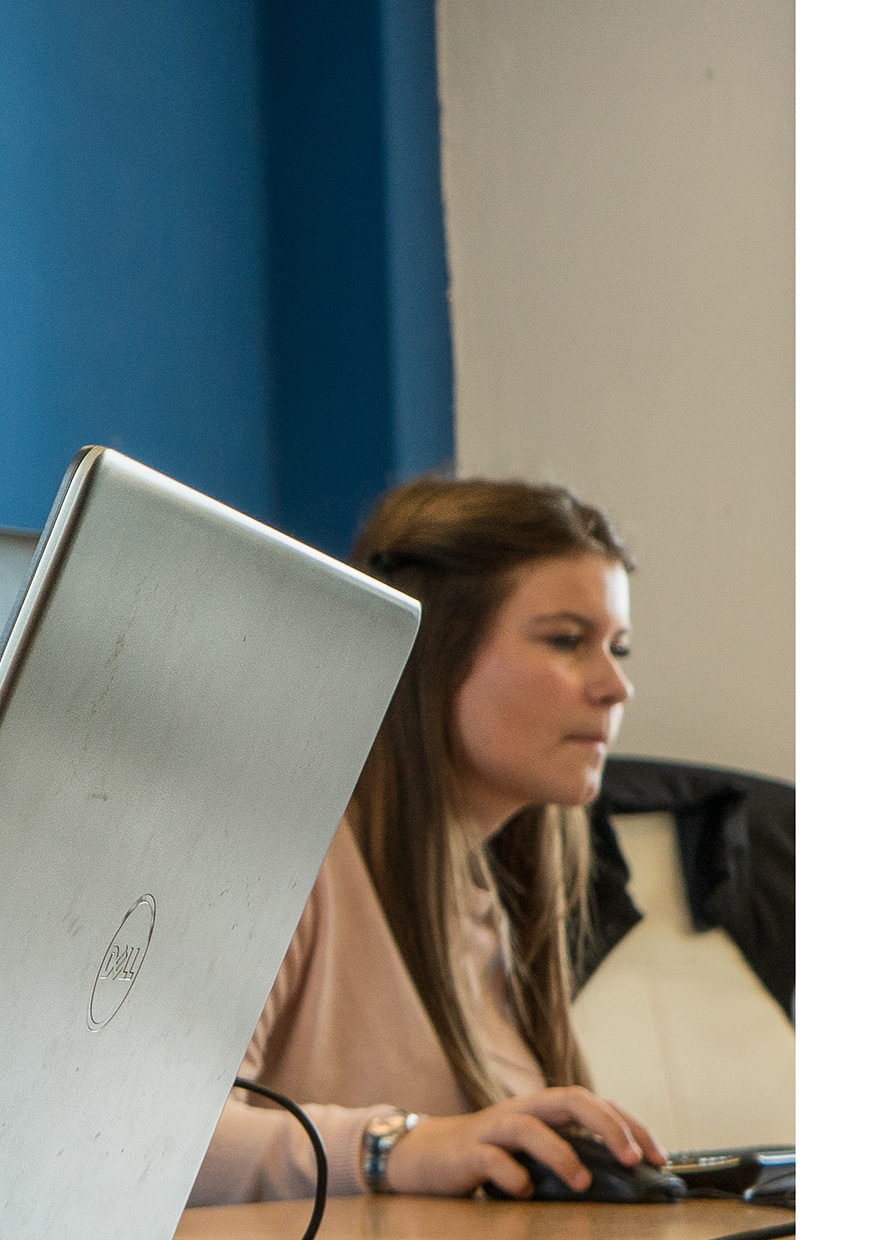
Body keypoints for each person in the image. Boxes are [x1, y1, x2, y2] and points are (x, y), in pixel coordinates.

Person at [190, 476, 670, 1203]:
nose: (615, 686)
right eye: (567, 640)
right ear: (433, 652)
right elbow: (149, 1142)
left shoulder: (493, 900)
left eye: (619, 648)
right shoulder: (284, 852)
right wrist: (395, 1147)